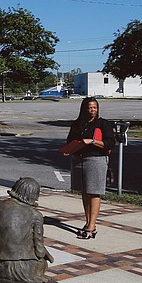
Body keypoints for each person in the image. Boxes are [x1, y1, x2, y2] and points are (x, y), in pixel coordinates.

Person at [63, 97, 114, 239]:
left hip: (96, 159)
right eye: (89, 107)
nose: (92, 110)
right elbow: (70, 141)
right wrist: (69, 150)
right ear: (84, 109)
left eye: (94, 107)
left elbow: (110, 143)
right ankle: (87, 223)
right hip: (79, 160)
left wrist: (92, 141)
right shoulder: (77, 124)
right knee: (84, 192)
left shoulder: (103, 124)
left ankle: (92, 226)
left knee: (94, 192)